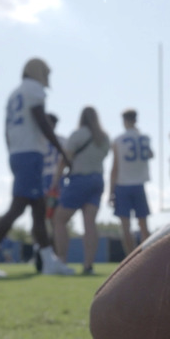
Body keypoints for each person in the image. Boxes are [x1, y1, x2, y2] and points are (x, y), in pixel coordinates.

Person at [0, 57, 75, 277]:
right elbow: (41, 120)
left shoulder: (14, 94)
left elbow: (6, 130)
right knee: (18, 207)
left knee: (38, 210)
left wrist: (13, 152)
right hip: (30, 154)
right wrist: (61, 150)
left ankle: (49, 261)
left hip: (19, 153)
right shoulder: (33, 89)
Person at [52, 106, 111, 275]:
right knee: (90, 223)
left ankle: (62, 260)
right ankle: (88, 265)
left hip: (79, 180)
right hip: (97, 180)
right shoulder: (104, 137)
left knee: (60, 220)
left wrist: (56, 181)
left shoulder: (77, 135)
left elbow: (65, 159)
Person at [109, 108, 153, 255]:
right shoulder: (145, 138)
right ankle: (147, 255)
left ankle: (130, 258)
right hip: (139, 184)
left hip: (123, 185)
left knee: (125, 226)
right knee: (143, 224)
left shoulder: (118, 140)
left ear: (124, 121)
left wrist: (110, 191)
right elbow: (151, 154)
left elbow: (115, 167)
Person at [37, 113, 66, 271]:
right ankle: (51, 256)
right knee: (55, 221)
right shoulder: (62, 140)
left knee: (48, 220)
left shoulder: (38, 140)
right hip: (57, 181)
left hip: (45, 180)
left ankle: (47, 255)